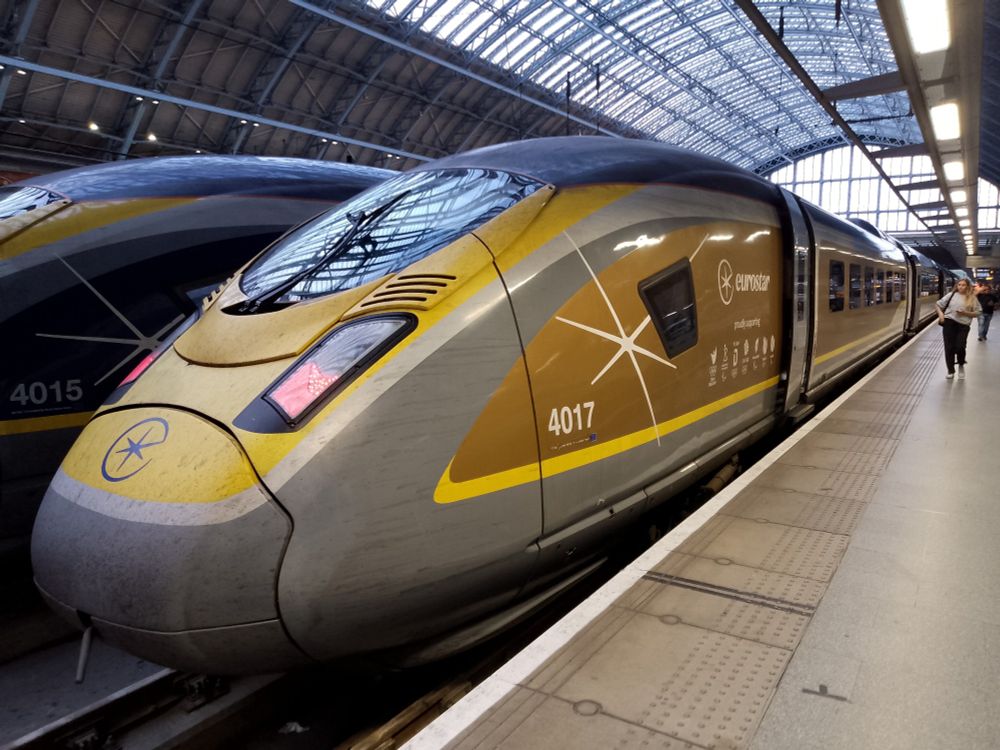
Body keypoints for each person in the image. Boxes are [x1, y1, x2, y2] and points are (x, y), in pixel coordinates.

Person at [937, 278, 981, 379]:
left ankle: (961, 363)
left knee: (960, 347)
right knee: (949, 348)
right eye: (959, 285)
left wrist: (965, 313)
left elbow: (978, 312)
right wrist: (941, 315)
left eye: (963, 285)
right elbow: (938, 305)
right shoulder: (951, 295)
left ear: (968, 286)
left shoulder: (972, 298)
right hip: (949, 323)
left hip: (963, 325)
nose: (961, 287)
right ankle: (950, 370)